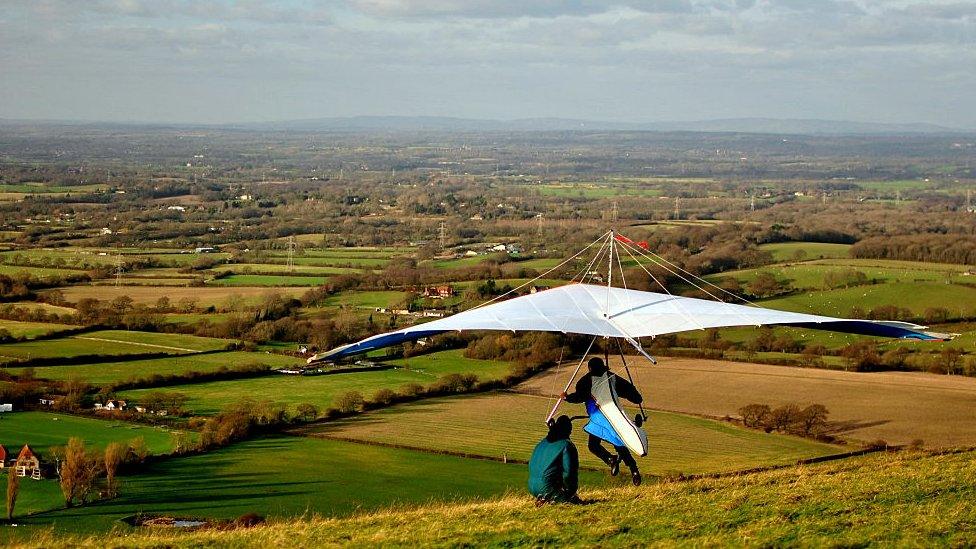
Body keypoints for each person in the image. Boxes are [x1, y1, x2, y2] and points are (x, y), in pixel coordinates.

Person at [562, 357, 643, 486]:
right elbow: (628, 389)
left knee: (594, 446)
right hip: (611, 416)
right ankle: (631, 468)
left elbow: (579, 396)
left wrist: (567, 398)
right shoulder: (612, 377)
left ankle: (612, 460)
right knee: (617, 443)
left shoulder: (586, 381)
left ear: (589, 369)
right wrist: (637, 398)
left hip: (598, 417)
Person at [528, 414, 581, 505]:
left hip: (532, 486)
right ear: (567, 430)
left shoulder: (541, 443)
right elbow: (569, 473)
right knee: (572, 502)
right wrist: (571, 492)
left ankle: (544, 499)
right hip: (547, 488)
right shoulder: (566, 445)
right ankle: (553, 498)